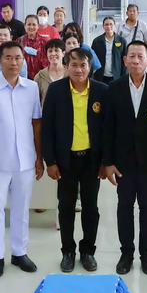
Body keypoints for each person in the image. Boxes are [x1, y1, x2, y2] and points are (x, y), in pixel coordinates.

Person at [0, 42, 44, 278]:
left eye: (18, 58)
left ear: (23, 60)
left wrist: (39, 157)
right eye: (9, 58)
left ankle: (19, 252)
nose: (14, 62)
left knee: (21, 209)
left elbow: (36, 124)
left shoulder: (31, 88)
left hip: (25, 159)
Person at [103, 41, 147, 276]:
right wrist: (108, 162)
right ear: (124, 60)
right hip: (122, 162)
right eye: (131, 56)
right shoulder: (114, 87)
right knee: (124, 207)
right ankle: (126, 253)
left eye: (140, 56)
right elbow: (108, 128)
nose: (135, 60)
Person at [41, 47, 108, 273]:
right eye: (74, 65)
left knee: (91, 207)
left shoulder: (101, 91)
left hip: (92, 160)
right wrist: (50, 161)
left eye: (83, 65)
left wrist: (106, 161)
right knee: (66, 207)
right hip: (65, 161)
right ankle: (67, 252)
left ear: (90, 67)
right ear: (66, 67)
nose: (79, 70)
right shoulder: (56, 90)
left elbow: (108, 129)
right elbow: (47, 128)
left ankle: (88, 251)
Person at [91, 17, 127, 84]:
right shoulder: (97, 41)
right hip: (101, 76)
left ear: (115, 26)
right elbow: (93, 60)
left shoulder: (122, 41)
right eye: (106, 24)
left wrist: (124, 76)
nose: (109, 26)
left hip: (117, 76)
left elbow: (125, 60)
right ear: (103, 26)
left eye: (111, 24)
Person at [33, 38, 66, 102]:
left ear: (63, 53)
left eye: (56, 50)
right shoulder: (40, 76)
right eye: (50, 51)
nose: (53, 53)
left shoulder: (70, 74)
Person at [17, 15, 49, 80]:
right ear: (25, 26)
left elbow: (47, 62)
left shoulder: (44, 42)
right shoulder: (19, 41)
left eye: (34, 25)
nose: (31, 27)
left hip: (41, 78)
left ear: (38, 26)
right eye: (29, 24)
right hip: (22, 77)